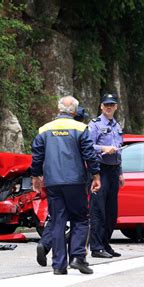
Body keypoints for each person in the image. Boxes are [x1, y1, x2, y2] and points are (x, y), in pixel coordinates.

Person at [31, 96, 100, 275]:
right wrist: (96, 175)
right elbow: (89, 154)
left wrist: (36, 177)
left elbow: (37, 156)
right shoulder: (80, 128)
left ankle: (58, 266)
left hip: (53, 182)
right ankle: (78, 258)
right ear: (75, 111)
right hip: (75, 181)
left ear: (58, 109)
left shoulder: (44, 129)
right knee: (81, 218)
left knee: (57, 221)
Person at [88, 93, 125, 258]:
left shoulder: (117, 126)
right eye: (106, 105)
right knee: (98, 210)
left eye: (112, 104)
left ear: (116, 107)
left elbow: (119, 150)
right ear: (101, 106)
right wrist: (103, 148)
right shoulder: (95, 125)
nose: (109, 107)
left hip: (114, 170)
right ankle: (96, 247)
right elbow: (88, 146)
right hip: (100, 170)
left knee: (112, 212)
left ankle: (105, 243)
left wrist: (121, 173)